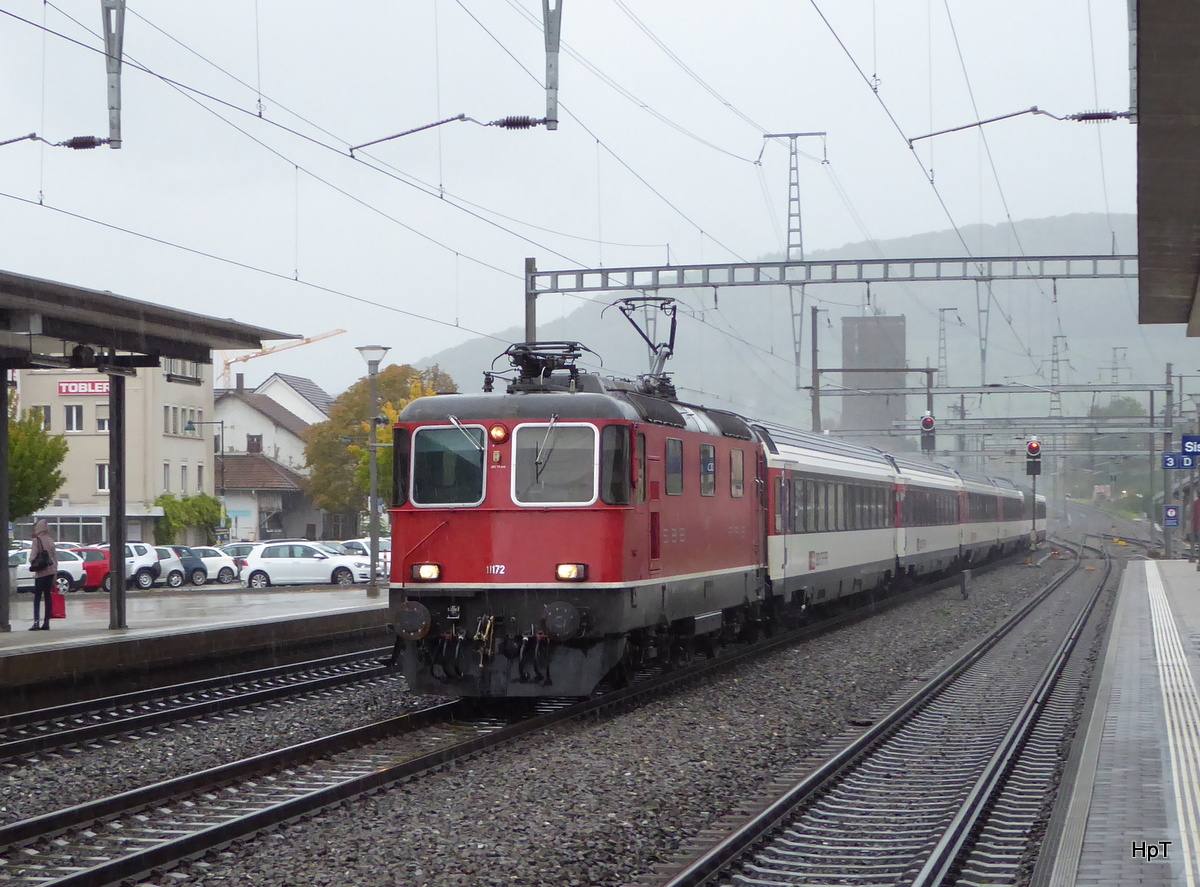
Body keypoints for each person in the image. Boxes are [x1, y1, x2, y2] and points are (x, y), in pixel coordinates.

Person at [29, 518, 57, 631]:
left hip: (40, 573)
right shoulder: (51, 540)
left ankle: (36, 622)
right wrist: (55, 573)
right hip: (51, 572)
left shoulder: (37, 540)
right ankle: (46, 622)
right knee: (47, 597)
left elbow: (32, 557)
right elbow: (55, 558)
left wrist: (32, 561)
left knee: (37, 598)